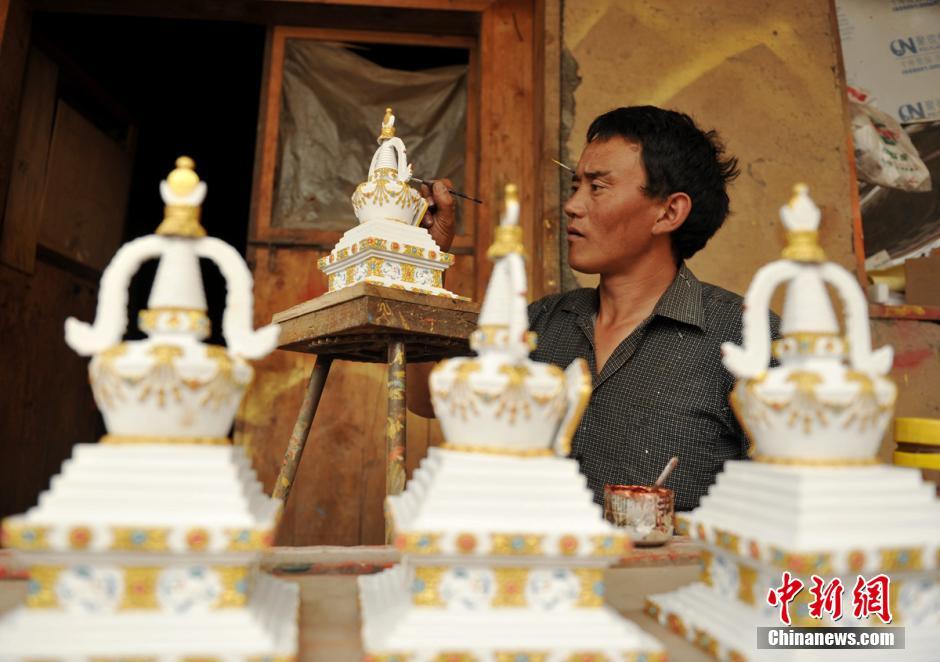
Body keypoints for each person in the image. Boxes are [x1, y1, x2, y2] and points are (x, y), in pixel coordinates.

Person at [409, 105, 778, 511]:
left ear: (669, 212)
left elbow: (783, 497)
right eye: (575, 186)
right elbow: (427, 398)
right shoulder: (539, 324)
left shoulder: (745, 338)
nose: (572, 205)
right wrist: (424, 262)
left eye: (597, 187)